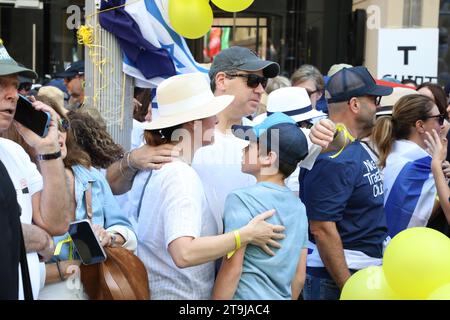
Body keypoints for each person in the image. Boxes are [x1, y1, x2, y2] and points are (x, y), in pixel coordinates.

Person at [134, 73, 285, 300]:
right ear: (193, 123)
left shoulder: (168, 168)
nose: (216, 119)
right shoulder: (180, 175)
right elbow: (183, 253)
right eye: (210, 113)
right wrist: (245, 235)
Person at [299, 66, 392, 300]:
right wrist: (349, 287)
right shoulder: (334, 158)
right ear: (355, 104)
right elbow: (321, 228)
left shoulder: (350, 146)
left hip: (356, 272)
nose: (378, 106)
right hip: (336, 278)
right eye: (375, 99)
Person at [37, 106, 136, 300]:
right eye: (47, 128)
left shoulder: (90, 176)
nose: (57, 135)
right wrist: (64, 270)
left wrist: (110, 237)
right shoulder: (23, 185)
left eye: (61, 126)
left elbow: (127, 230)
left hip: (97, 288)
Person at [0, 40, 72, 299]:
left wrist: (48, 149)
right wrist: (36, 239)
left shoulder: (15, 152)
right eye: (1, 84)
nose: (12, 94)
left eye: (16, 86)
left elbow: (57, 223)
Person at [212, 113, 309, 300]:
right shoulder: (299, 207)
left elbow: (232, 269)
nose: (243, 150)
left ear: (268, 158)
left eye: (250, 146)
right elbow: (299, 276)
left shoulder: (240, 199)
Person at [193, 46, 280, 231]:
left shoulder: (260, 137)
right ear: (222, 80)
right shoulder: (190, 134)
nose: (260, 90)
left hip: (246, 255)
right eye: (252, 80)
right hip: (195, 256)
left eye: (263, 82)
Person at [373, 94, 446, 238]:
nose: (442, 125)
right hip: (395, 250)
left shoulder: (387, 149)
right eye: (439, 118)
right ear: (420, 125)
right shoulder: (423, 165)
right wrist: (440, 171)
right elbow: (422, 218)